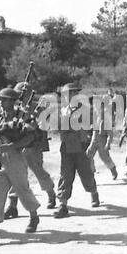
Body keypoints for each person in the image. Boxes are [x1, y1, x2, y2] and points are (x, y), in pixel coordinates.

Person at [0, 88, 40, 246]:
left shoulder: (22, 117)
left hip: (16, 157)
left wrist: (12, 146)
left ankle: (33, 216)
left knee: (22, 189)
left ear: (12, 101)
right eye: (0, 99)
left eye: (4, 99)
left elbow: (31, 137)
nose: (0, 102)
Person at [3, 82, 56, 220]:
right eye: (18, 94)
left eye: (23, 94)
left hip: (33, 145)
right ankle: (12, 205)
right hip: (18, 147)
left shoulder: (37, 108)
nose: (21, 97)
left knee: (38, 171)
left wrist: (35, 117)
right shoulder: (15, 110)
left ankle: (50, 193)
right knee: (16, 175)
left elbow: (43, 126)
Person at [54, 83, 101, 219]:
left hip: (82, 147)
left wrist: (93, 144)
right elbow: (57, 129)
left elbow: (95, 128)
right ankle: (63, 205)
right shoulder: (63, 110)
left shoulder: (86, 110)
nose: (69, 96)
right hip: (67, 148)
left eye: (72, 93)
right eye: (67, 94)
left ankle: (93, 191)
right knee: (65, 176)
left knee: (86, 175)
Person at [86, 97, 118, 180]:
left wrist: (108, 143)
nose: (95, 106)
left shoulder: (106, 115)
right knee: (88, 155)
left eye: (97, 104)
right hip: (94, 138)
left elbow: (110, 132)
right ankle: (91, 174)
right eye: (94, 104)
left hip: (102, 139)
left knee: (104, 157)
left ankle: (113, 169)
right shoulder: (94, 114)